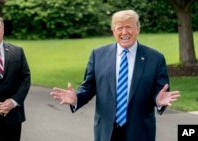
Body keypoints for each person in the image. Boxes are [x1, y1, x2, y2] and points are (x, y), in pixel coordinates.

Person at [50, 9, 180, 141]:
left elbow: (160, 90)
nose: (124, 32)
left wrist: (158, 100)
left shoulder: (155, 58)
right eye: (120, 28)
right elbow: (89, 86)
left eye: (128, 27)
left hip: (140, 132)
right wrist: (76, 98)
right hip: (107, 132)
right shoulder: (98, 55)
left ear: (138, 29)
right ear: (113, 31)